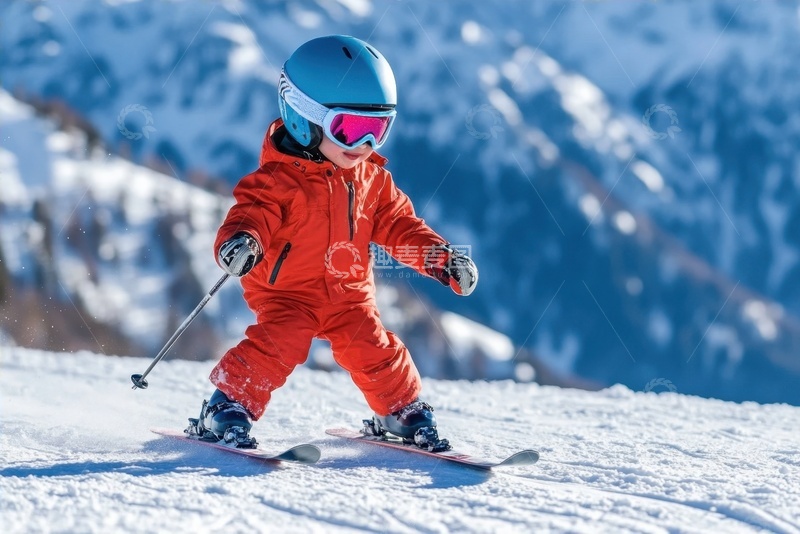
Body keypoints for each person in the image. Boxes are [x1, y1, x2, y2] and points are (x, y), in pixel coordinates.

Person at [187, 35, 478, 451]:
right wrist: (244, 243)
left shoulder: (372, 180)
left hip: (349, 296)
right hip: (288, 294)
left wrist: (441, 260)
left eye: (378, 130)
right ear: (305, 117)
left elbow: (399, 226)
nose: (365, 147)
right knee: (278, 343)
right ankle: (227, 406)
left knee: (373, 347)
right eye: (351, 129)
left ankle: (397, 409)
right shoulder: (277, 180)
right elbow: (252, 214)